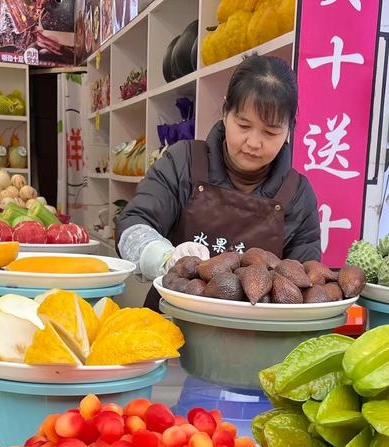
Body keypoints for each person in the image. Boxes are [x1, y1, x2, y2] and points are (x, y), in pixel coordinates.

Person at [116, 54, 321, 305]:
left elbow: (305, 284)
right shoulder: (183, 162)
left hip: (258, 334)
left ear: (290, 128)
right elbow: (132, 226)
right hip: (172, 319)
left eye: (270, 132)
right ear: (226, 111)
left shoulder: (297, 194)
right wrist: (166, 258)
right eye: (243, 125)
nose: (254, 143)